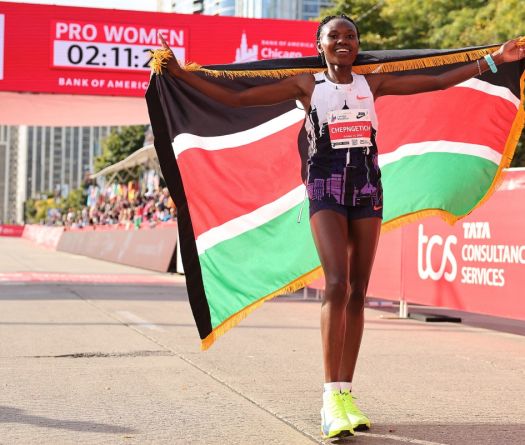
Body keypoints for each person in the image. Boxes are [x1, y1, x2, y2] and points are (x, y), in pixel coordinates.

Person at [157, 17, 524, 439]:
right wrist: (184, 75)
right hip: (325, 186)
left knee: (357, 291)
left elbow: (438, 81)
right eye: (335, 36)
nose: (344, 41)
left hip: (367, 188)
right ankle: (330, 398)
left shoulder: (374, 83)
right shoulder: (306, 85)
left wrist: (494, 61)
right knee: (336, 282)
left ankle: (347, 393)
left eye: (350, 36)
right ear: (321, 45)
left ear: (357, 44)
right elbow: (241, 100)